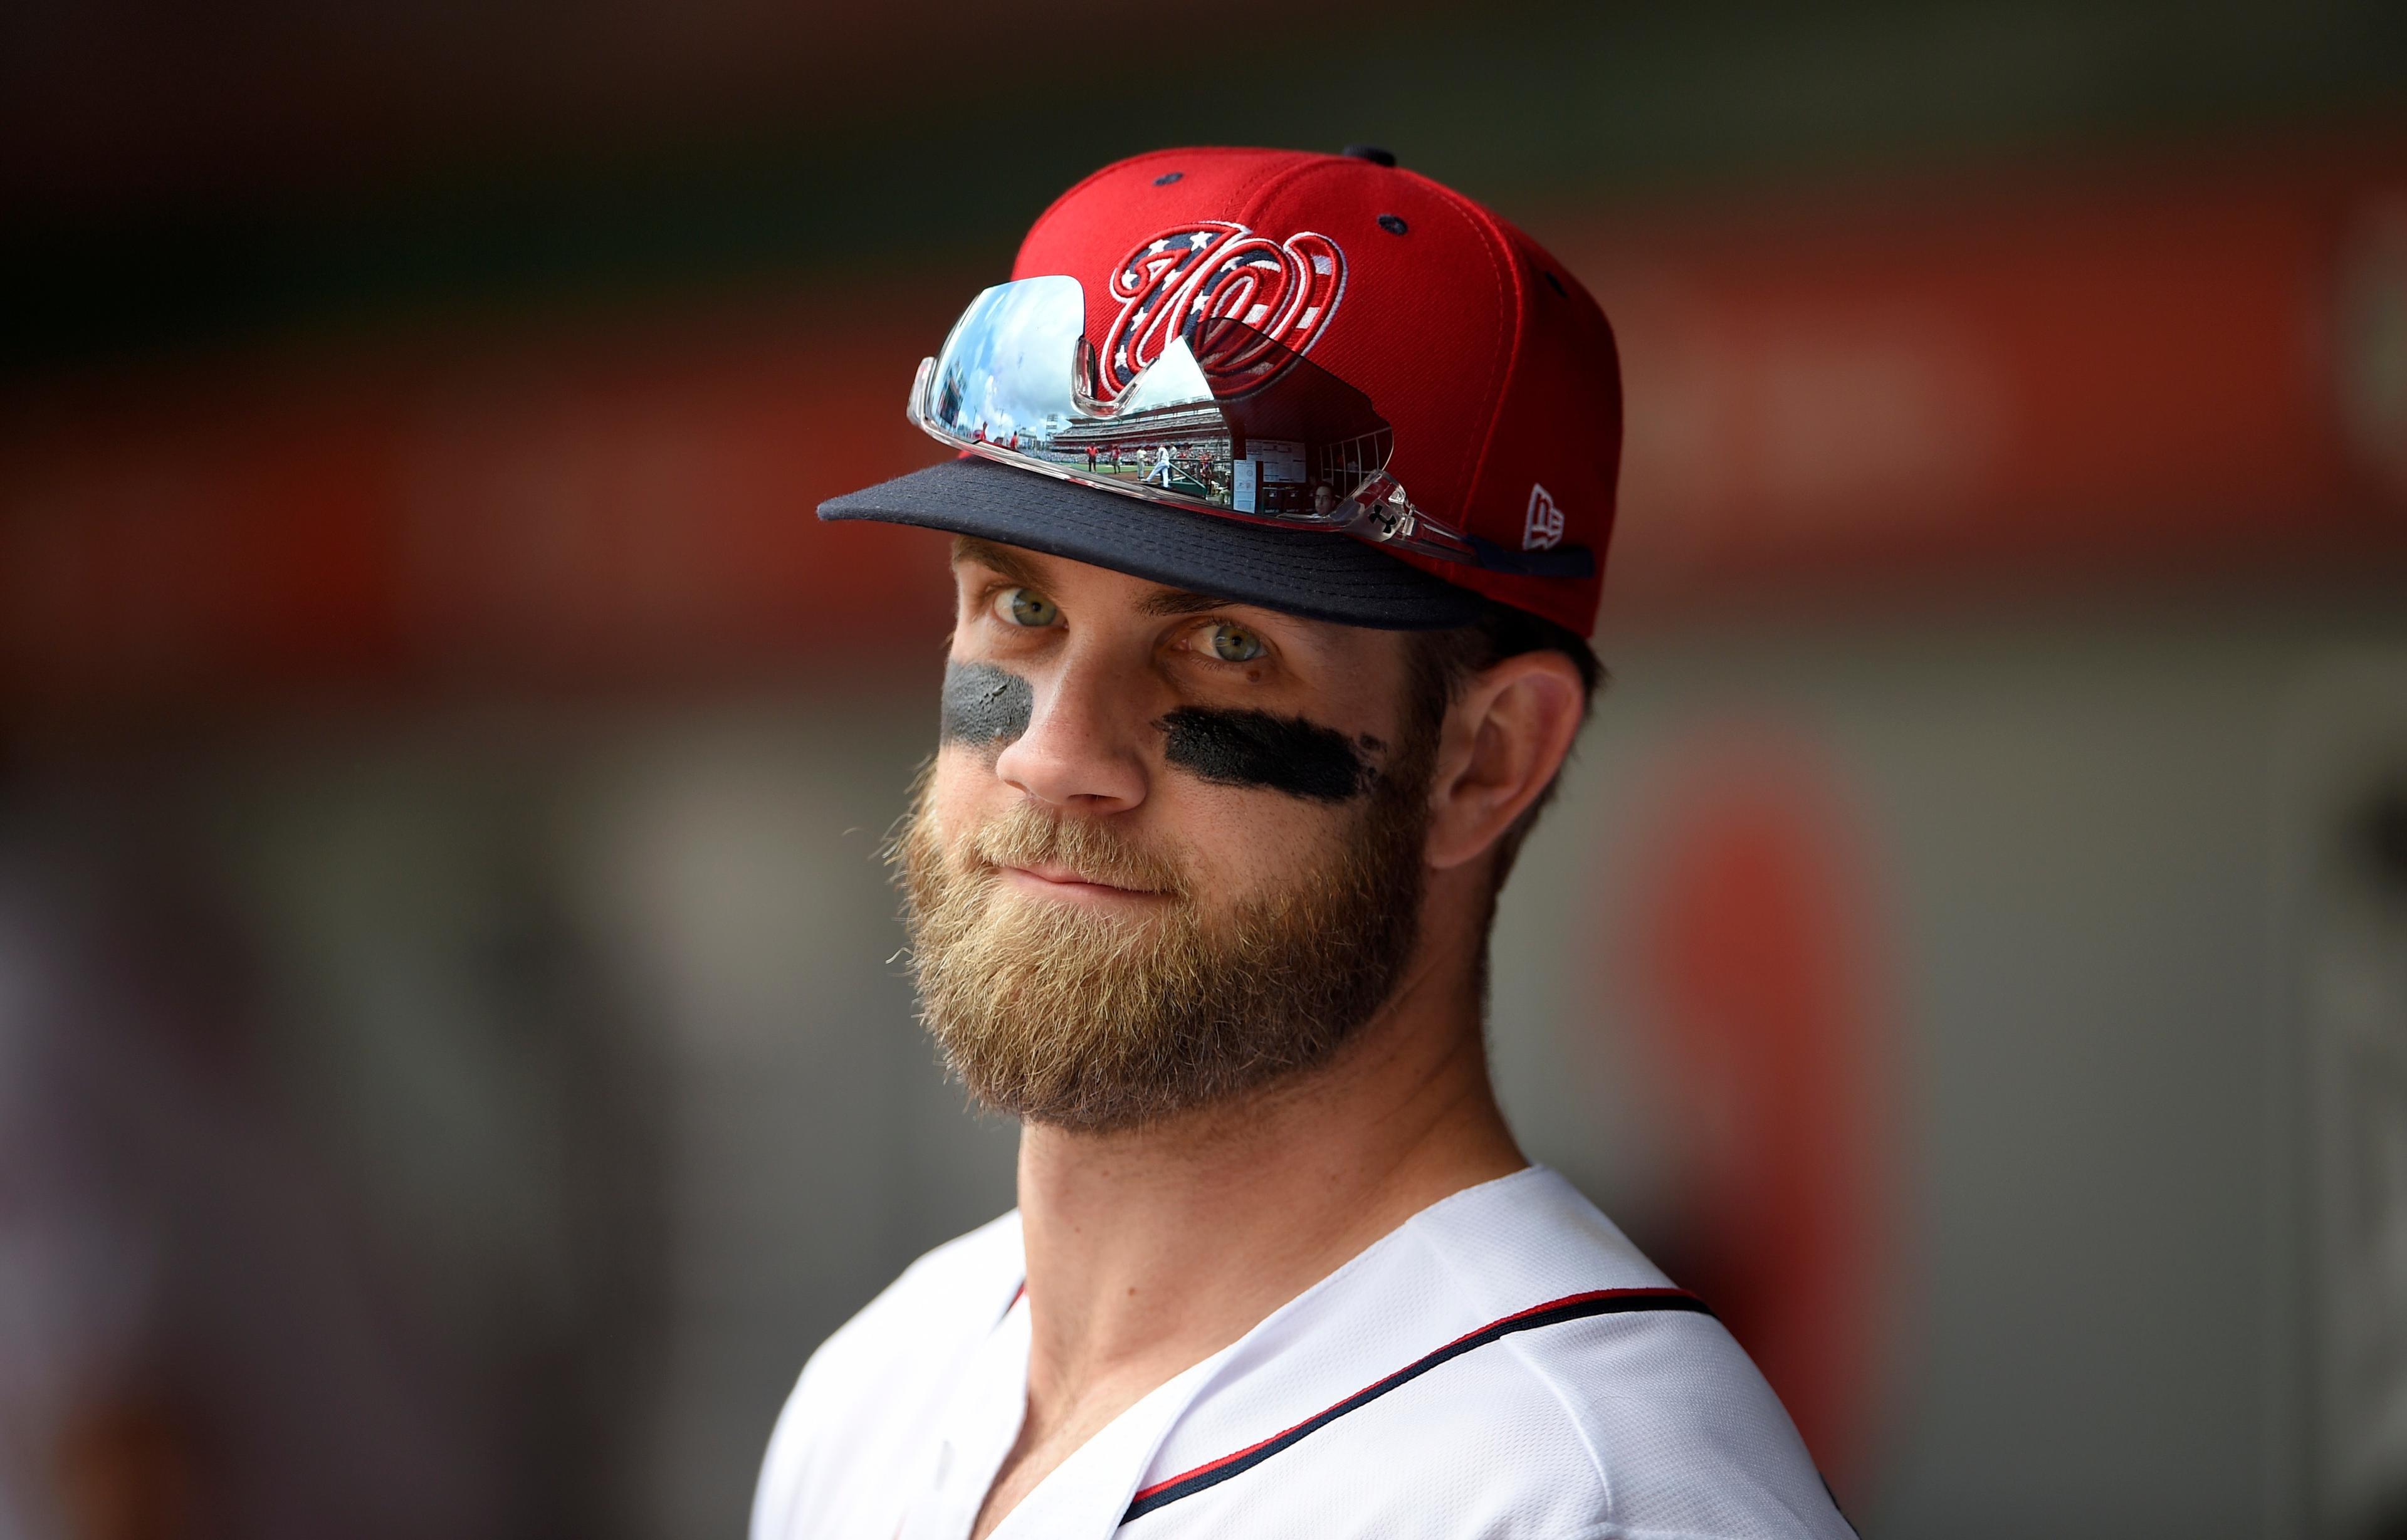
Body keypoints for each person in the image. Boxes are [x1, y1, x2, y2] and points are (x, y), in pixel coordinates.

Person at [753, 145, 1854, 1540]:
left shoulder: (1590, 1493)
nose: (1053, 750)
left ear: (1486, 758)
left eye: (1222, 645)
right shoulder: (879, 1387)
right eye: (1019, 607)